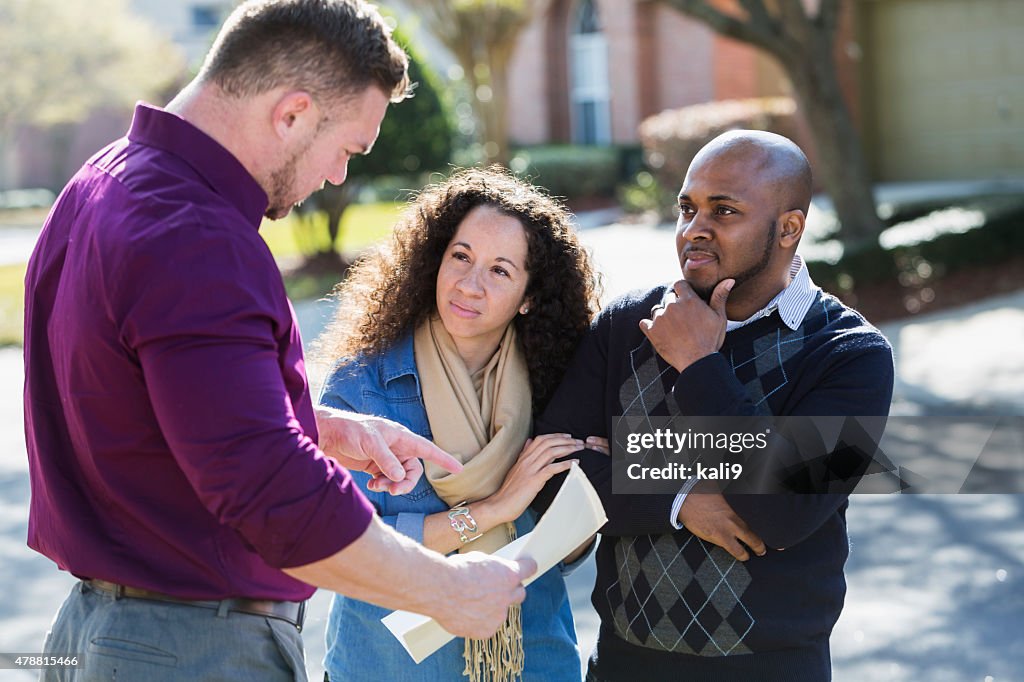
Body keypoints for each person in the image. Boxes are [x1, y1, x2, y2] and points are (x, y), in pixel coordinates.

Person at [23, 3, 533, 680]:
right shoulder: (197, 237)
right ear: (291, 113)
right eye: (347, 148)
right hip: (192, 648)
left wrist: (310, 426)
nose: (338, 176)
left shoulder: (101, 183)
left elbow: (135, 401)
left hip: (101, 631)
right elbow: (271, 495)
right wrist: (451, 591)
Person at [532, 130, 895, 682]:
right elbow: (551, 472)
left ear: (789, 228)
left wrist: (698, 366)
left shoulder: (850, 354)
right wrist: (679, 501)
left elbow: (784, 509)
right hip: (624, 666)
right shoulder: (627, 325)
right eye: (687, 208)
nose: (694, 229)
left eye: (723, 211)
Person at [313, 166, 602, 682]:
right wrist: (495, 509)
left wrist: (586, 502)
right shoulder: (364, 385)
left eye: (499, 271)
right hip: (388, 668)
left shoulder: (559, 388)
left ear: (530, 296)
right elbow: (351, 550)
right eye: (461, 257)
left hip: (532, 661)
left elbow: (570, 553)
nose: (469, 285)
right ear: (435, 261)